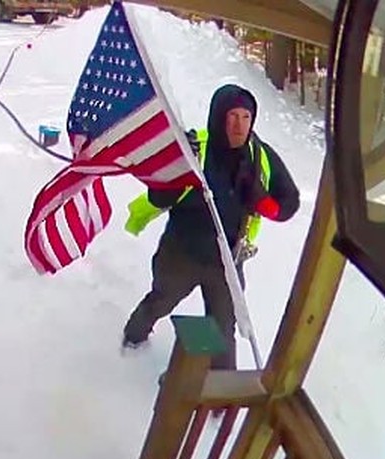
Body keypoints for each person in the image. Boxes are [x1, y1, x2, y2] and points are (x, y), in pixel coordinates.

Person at [121, 84, 300, 370]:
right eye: (232, 116)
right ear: (218, 117)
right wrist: (178, 169)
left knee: (223, 327)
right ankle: (132, 340)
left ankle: (220, 392)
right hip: (182, 253)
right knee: (161, 301)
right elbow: (159, 195)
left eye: (246, 117)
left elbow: (290, 203)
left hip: (228, 261)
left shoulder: (260, 157)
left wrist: (262, 202)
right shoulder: (195, 148)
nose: (239, 126)